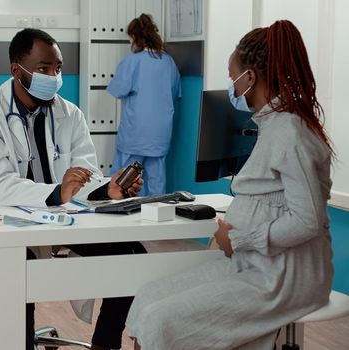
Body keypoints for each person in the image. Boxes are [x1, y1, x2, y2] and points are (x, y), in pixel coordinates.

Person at [125, 19, 334, 349]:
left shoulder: (290, 133)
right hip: (253, 263)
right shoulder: (274, 125)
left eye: (233, 76)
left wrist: (238, 236)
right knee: (148, 296)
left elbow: (306, 221)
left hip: (282, 278)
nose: (232, 88)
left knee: (161, 318)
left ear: (250, 77)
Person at [0, 28, 147, 350]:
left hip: (62, 219)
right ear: (16, 69)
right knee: (21, 278)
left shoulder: (69, 113)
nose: (53, 76)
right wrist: (56, 193)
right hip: (6, 222)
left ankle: (106, 343)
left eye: (58, 68)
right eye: (44, 68)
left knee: (131, 257)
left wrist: (108, 190)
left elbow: (85, 175)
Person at [107, 13, 181, 196]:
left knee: (124, 179)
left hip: (136, 134)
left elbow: (118, 90)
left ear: (134, 37)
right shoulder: (168, 62)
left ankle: (123, 217)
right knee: (157, 180)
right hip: (160, 134)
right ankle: (155, 217)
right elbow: (175, 93)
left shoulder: (133, 61)